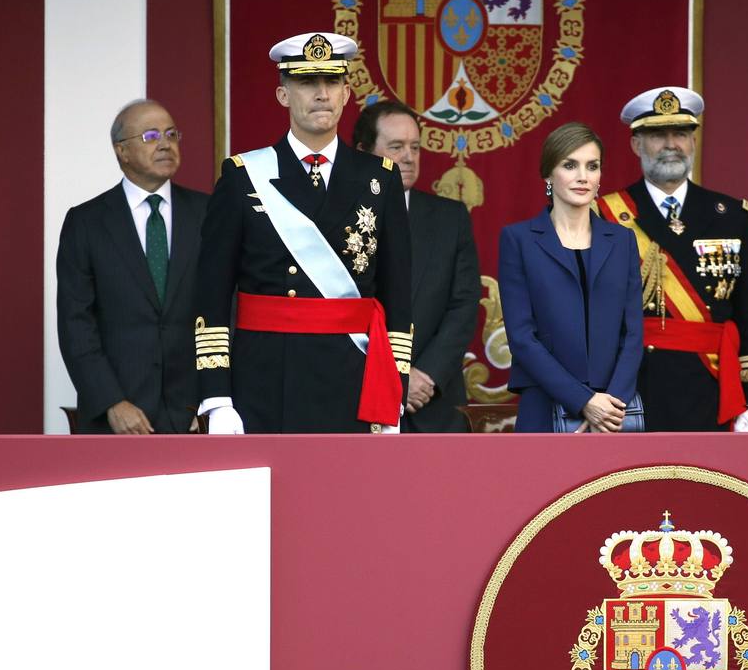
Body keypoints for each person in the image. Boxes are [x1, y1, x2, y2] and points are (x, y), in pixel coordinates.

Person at [193, 32, 412, 433]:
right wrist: (217, 397)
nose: (321, 94)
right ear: (283, 94)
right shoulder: (243, 176)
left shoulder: (380, 179)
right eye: (307, 82)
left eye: (331, 82)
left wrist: (395, 386)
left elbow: (397, 294)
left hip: (354, 377)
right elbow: (211, 293)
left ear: (347, 93)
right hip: (265, 380)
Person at [596, 87, 748, 432]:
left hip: (713, 386)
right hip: (635, 386)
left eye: (681, 134)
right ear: (636, 145)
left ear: (694, 142)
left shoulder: (732, 214)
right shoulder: (607, 214)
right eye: (657, 135)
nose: (671, 144)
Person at [56, 99, 209, 434]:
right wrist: (111, 402)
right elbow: (75, 324)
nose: (166, 144)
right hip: (118, 417)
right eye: (151, 136)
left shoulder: (208, 214)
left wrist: (211, 403)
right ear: (121, 152)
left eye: (171, 134)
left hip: (195, 416)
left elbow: (225, 309)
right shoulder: (86, 223)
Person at [498, 122, 644, 432]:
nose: (583, 176)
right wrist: (583, 402)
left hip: (614, 412)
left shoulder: (622, 241)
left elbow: (632, 334)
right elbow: (522, 339)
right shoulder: (518, 239)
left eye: (592, 166)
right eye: (570, 165)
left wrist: (609, 406)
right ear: (548, 174)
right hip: (544, 404)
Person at [353, 100, 480, 432]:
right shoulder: (335, 217)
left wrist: (425, 375)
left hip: (433, 403)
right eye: (396, 147)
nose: (409, 157)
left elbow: (463, 306)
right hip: (355, 400)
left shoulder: (450, 218)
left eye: (415, 147)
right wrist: (391, 380)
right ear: (364, 152)